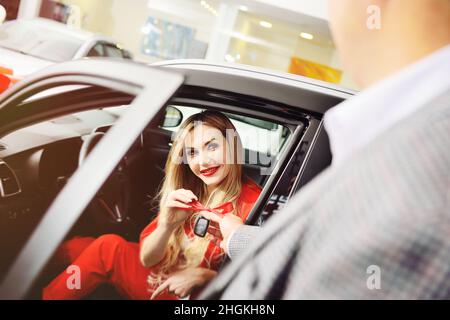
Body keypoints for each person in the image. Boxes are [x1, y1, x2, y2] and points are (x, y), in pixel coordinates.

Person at [199, 0, 450, 299]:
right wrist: (237, 238)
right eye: (190, 152)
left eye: (211, 145)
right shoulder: (405, 142)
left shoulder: (425, 189)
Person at [42, 110, 261, 300]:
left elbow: (264, 276)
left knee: (105, 248)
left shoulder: (254, 203)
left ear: (232, 145)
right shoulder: (192, 189)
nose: (202, 162)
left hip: (180, 291)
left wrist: (206, 276)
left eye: (211, 147)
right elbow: (148, 258)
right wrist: (166, 225)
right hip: (165, 265)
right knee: (78, 246)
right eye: (192, 152)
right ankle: (29, 271)